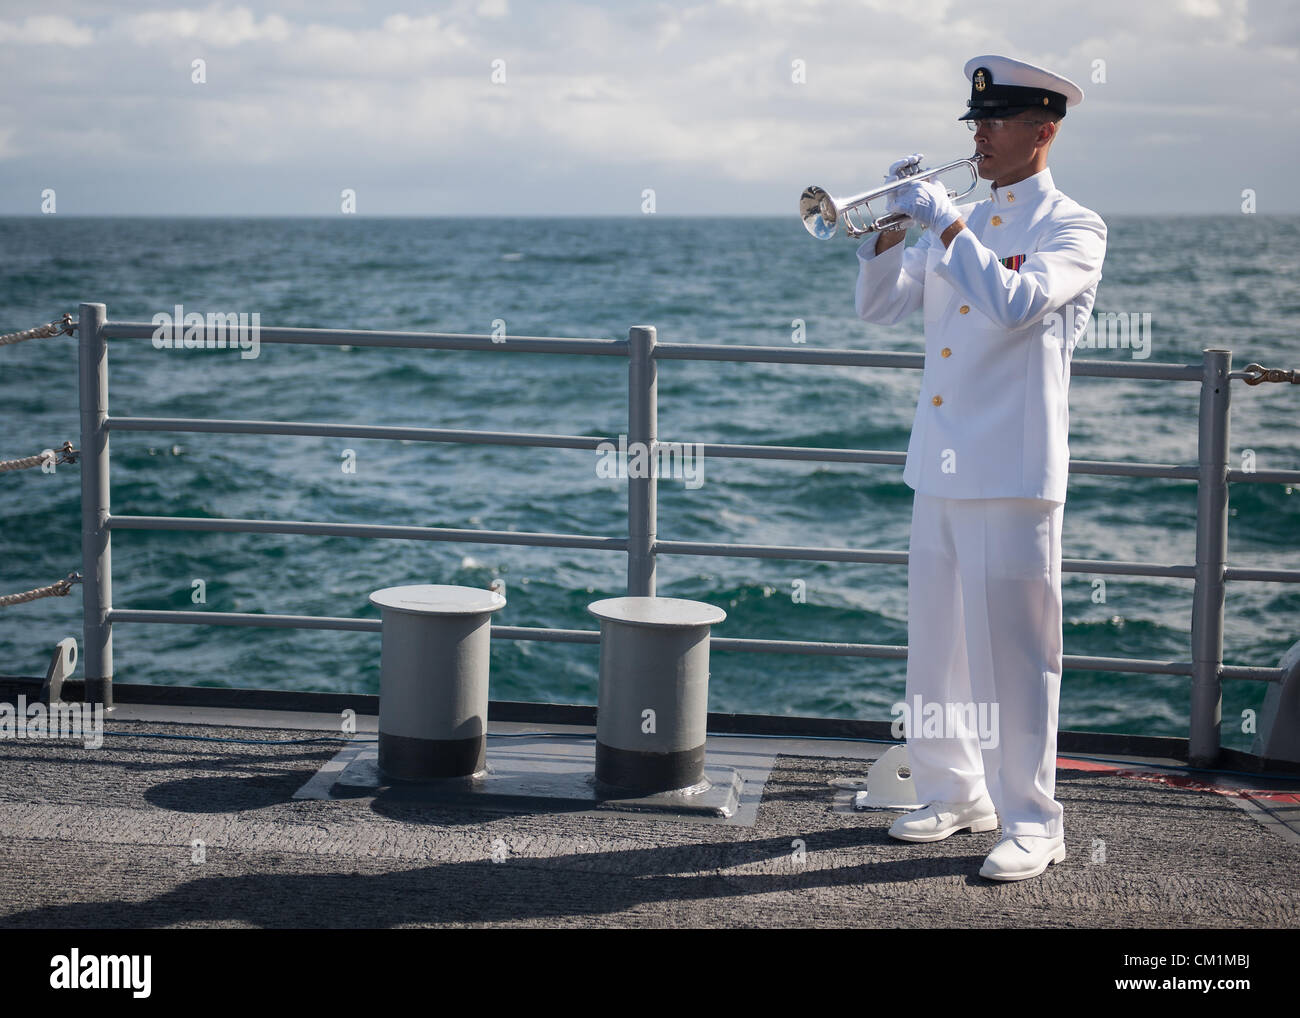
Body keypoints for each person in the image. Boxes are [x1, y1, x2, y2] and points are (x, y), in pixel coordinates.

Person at [855, 55, 1106, 881]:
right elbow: (882, 306)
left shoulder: (1073, 226)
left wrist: (946, 226)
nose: (979, 135)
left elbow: (1015, 303)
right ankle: (954, 789)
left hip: (1012, 472)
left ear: (1044, 130)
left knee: (1016, 659)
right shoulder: (960, 220)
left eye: (995, 122)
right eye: (975, 121)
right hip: (940, 464)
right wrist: (890, 230)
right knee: (937, 652)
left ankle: (1035, 819)